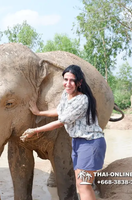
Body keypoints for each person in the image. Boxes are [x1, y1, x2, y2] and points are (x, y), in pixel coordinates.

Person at [20, 64, 106, 200]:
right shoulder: (66, 95)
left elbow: (61, 122)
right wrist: (39, 112)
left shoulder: (82, 100)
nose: (68, 83)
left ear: (79, 82)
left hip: (90, 144)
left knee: (84, 185)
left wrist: (35, 130)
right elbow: (59, 111)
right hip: (78, 142)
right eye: (65, 79)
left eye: (72, 80)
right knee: (81, 184)